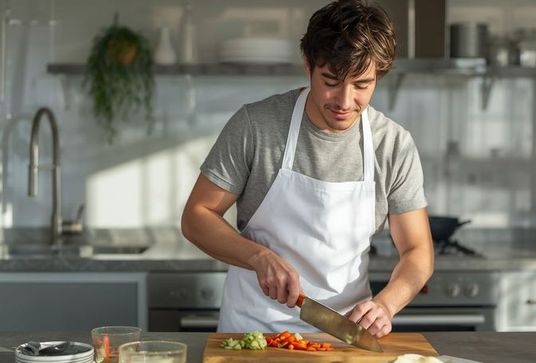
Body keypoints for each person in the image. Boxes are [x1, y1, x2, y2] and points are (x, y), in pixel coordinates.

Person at [181, 0, 433, 338]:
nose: (344, 101)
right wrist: (257, 256)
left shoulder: (392, 145)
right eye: (330, 80)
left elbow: (418, 252)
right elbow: (197, 216)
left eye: (361, 85)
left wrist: (386, 305)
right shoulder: (256, 126)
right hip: (254, 333)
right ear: (308, 66)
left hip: (343, 336)